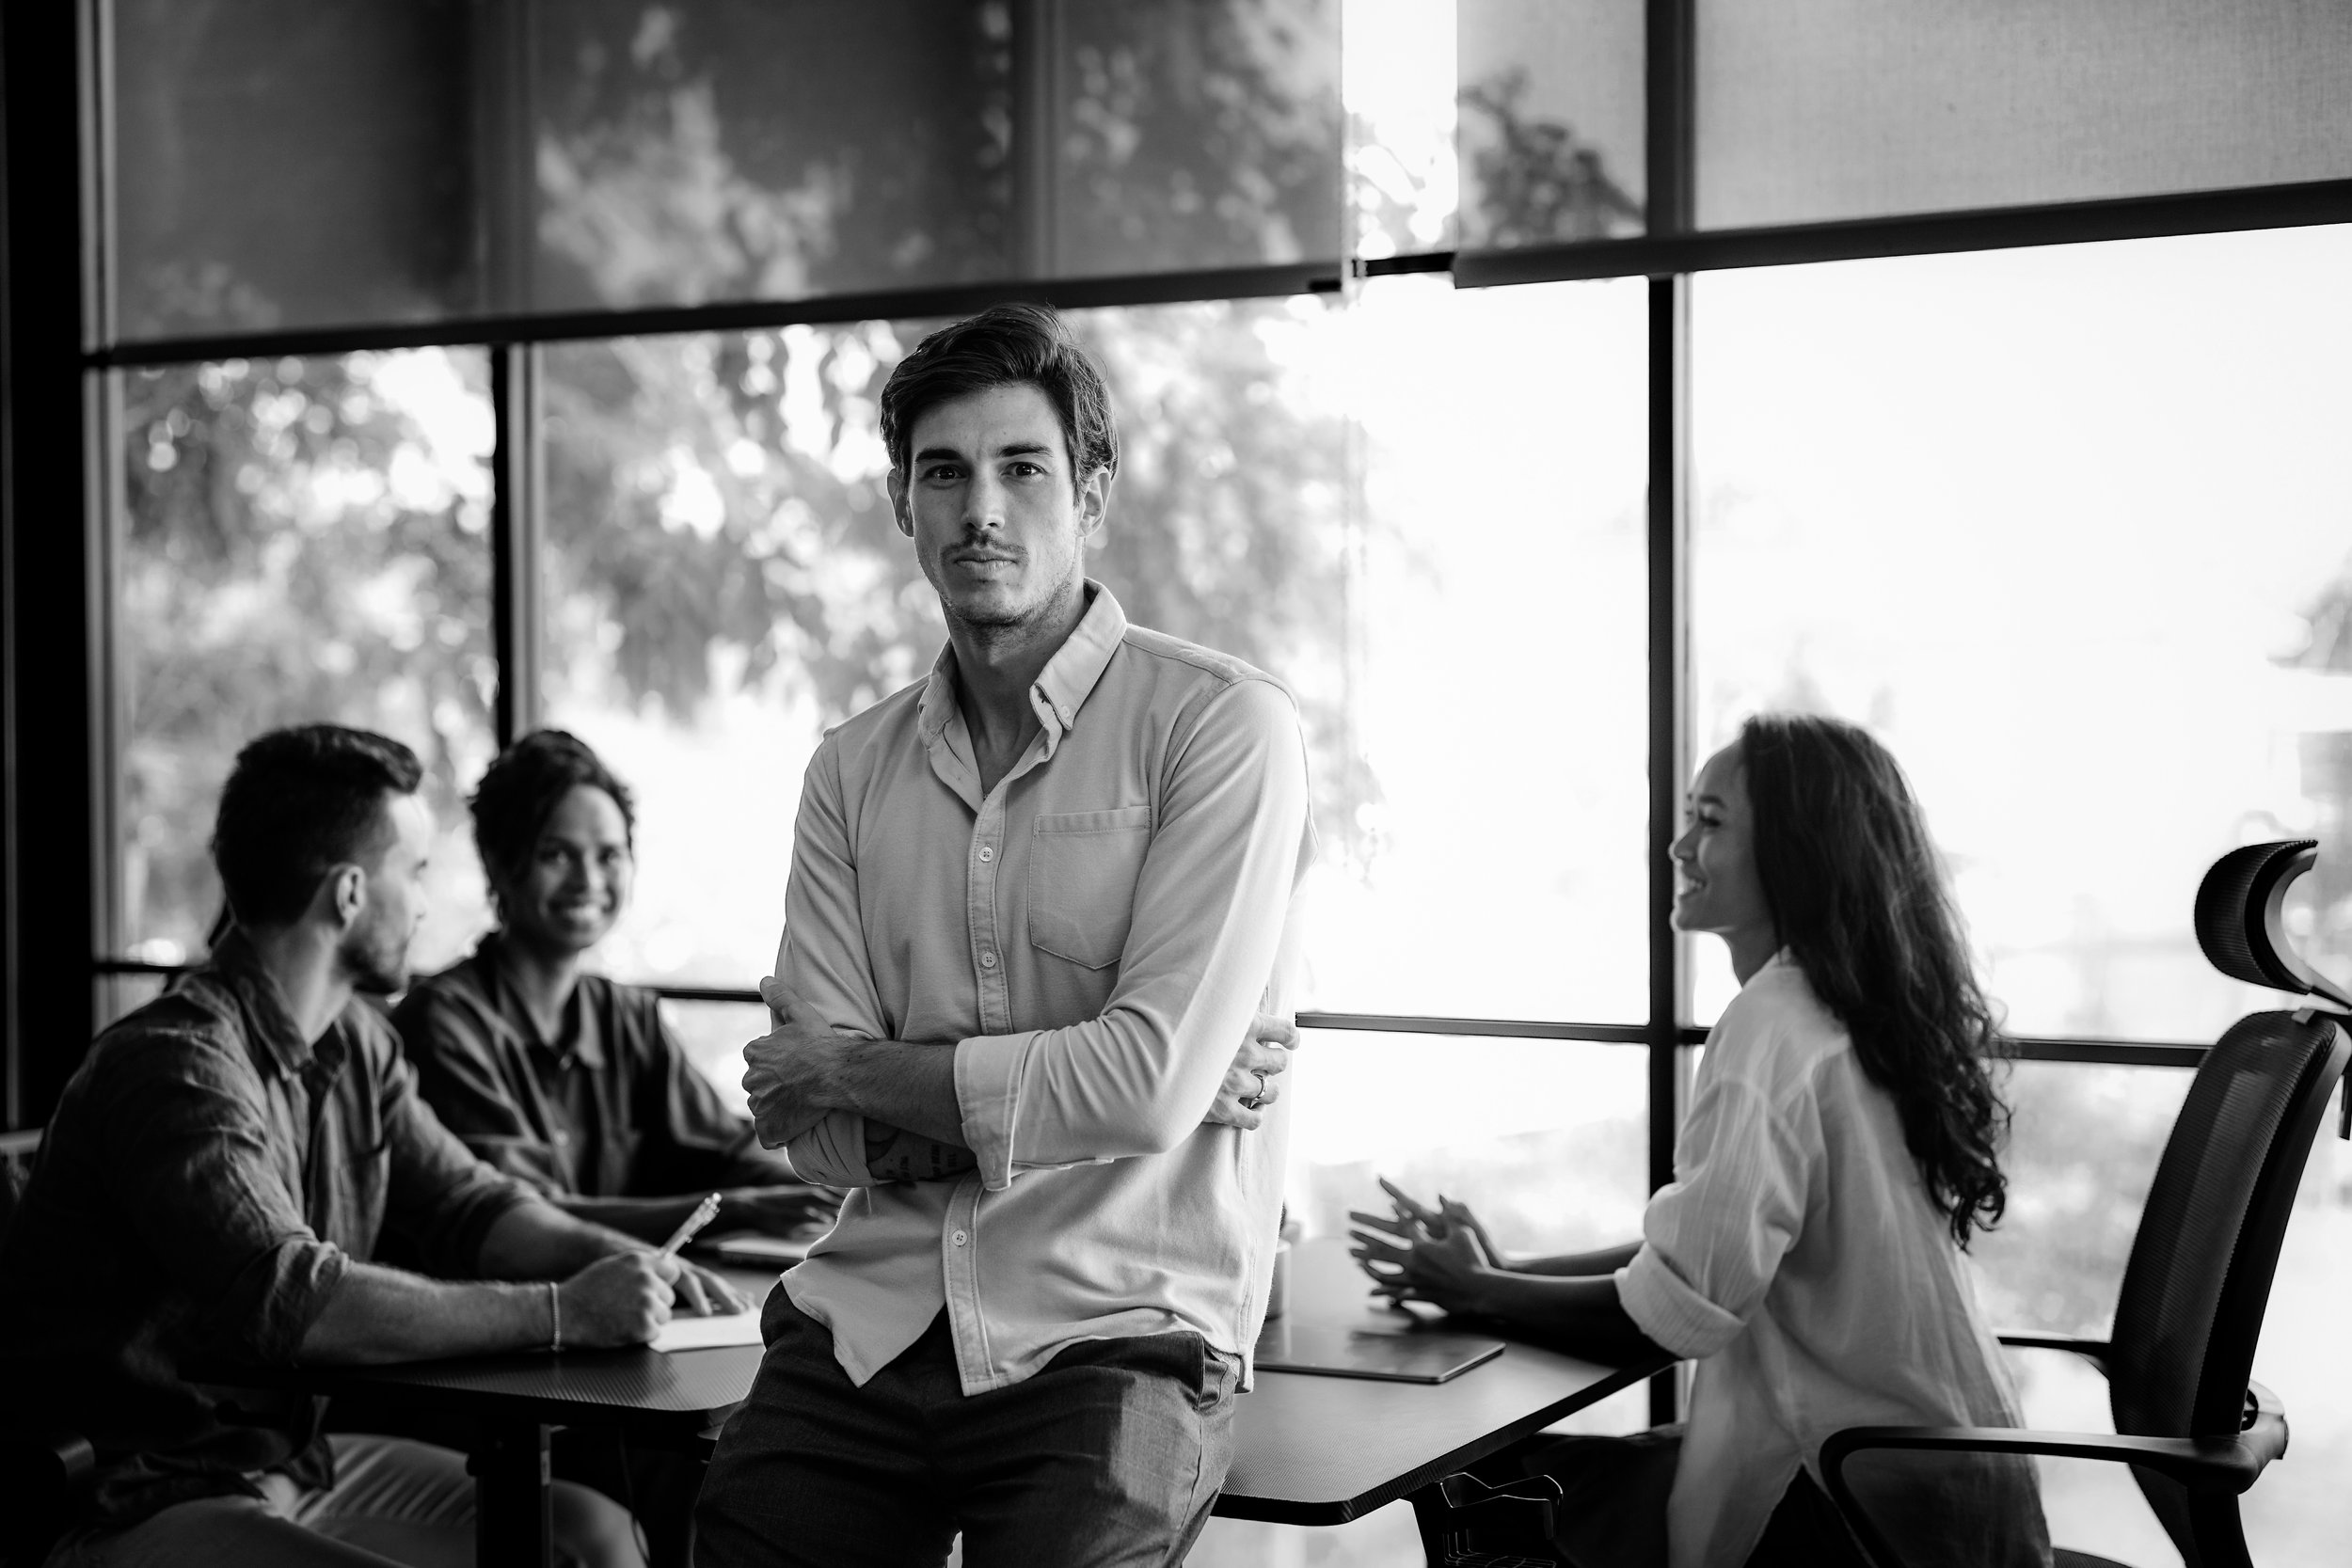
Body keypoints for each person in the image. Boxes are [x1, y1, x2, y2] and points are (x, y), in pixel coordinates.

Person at [693, 302, 1314, 1568]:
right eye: (945, 472)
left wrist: (867, 1068)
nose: (981, 507)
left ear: (1092, 492)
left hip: (1117, 1329)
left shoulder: (1222, 727)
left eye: (1021, 467)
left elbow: (1137, 1085)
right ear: (902, 504)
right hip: (868, 1317)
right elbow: (815, 1139)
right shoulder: (848, 771)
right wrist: (1086, 1095)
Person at [0, 724, 747, 1568]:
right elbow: (295, 1301)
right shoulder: (177, 1066)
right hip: (131, 1494)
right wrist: (565, 1310)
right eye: (416, 872)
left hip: (290, 1460)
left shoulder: (358, 1040)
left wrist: (630, 1262)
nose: (427, 902)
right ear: (350, 893)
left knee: (595, 1539)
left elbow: (472, 1203)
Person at [1352, 714, 2051, 1568]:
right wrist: (1501, 1272)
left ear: (1799, 851)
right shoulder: (1853, 1010)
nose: (1679, 845)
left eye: (1712, 820)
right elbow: (1696, 1259)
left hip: (1854, 1509)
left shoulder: (1775, 1025)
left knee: (1488, 1495)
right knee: (1527, 1485)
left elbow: (1670, 1313)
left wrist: (1479, 1288)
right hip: (1937, 1481)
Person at [397, 729, 835, 1249]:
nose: (587, 880)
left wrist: (836, 1193)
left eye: (608, 856)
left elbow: (729, 1151)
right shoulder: (444, 1024)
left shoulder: (629, 1017)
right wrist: (730, 1211)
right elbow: (523, 1220)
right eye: (556, 855)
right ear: (498, 863)